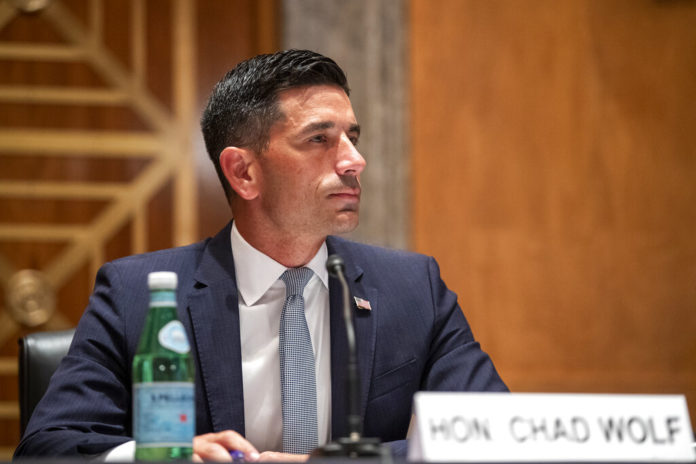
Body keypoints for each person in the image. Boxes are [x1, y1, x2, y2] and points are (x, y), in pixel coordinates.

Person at [14, 49, 507, 461]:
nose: (355, 161)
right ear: (243, 172)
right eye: (319, 139)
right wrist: (165, 455)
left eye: (352, 139)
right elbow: (48, 447)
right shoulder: (136, 295)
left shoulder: (411, 288)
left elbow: (497, 438)